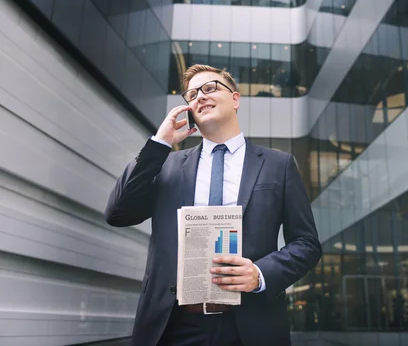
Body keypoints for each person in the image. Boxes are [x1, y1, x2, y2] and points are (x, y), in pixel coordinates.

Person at [104, 64, 322, 346]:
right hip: (174, 326)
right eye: (192, 94)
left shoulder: (278, 165)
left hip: (250, 326)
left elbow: (307, 243)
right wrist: (160, 143)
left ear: (235, 99)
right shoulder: (167, 165)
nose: (200, 96)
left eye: (210, 88)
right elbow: (117, 213)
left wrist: (259, 274)